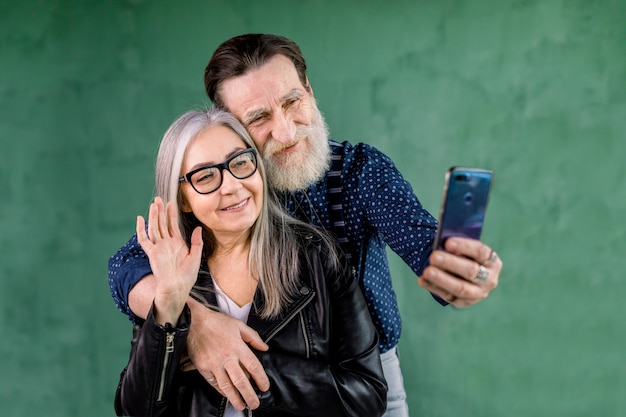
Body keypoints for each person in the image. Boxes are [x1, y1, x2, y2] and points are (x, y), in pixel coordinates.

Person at [109, 34, 503, 416]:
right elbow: (125, 269)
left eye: (292, 101)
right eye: (259, 117)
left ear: (310, 91)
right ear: (232, 128)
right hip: (246, 372)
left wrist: (464, 273)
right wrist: (197, 325)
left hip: (360, 378)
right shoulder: (228, 192)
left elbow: (427, 252)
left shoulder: (359, 172)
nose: (285, 131)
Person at [114, 108, 387, 417]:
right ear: (184, 199)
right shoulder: (165, 271)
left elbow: (368, 398)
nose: (231, 185)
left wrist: (248, 364)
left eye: (240, 162)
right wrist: (170, 302)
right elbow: (135, 411)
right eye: (205, 176)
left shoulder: (318, 258)